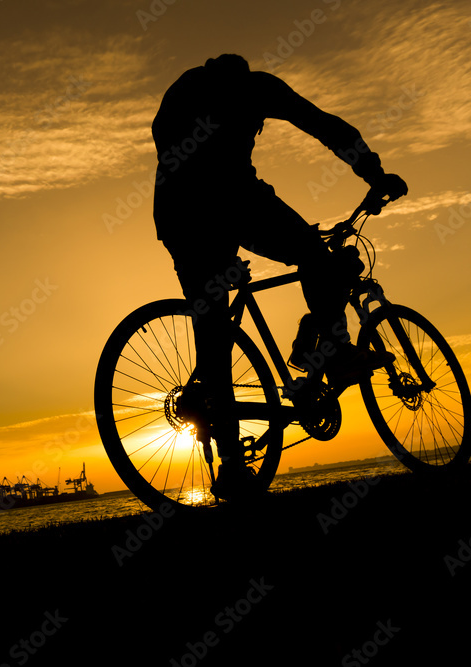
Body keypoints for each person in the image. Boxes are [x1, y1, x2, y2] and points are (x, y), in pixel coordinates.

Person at [151, 54, 407, 499]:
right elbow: (321, 125)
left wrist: (370, 168)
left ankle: (319, 352)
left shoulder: (222, 88)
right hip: (204, 206)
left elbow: (322, 124)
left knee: (298, 263)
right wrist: (373, 171)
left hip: (210, 205)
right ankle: (325, 354)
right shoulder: (225, 92)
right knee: (293, 267)